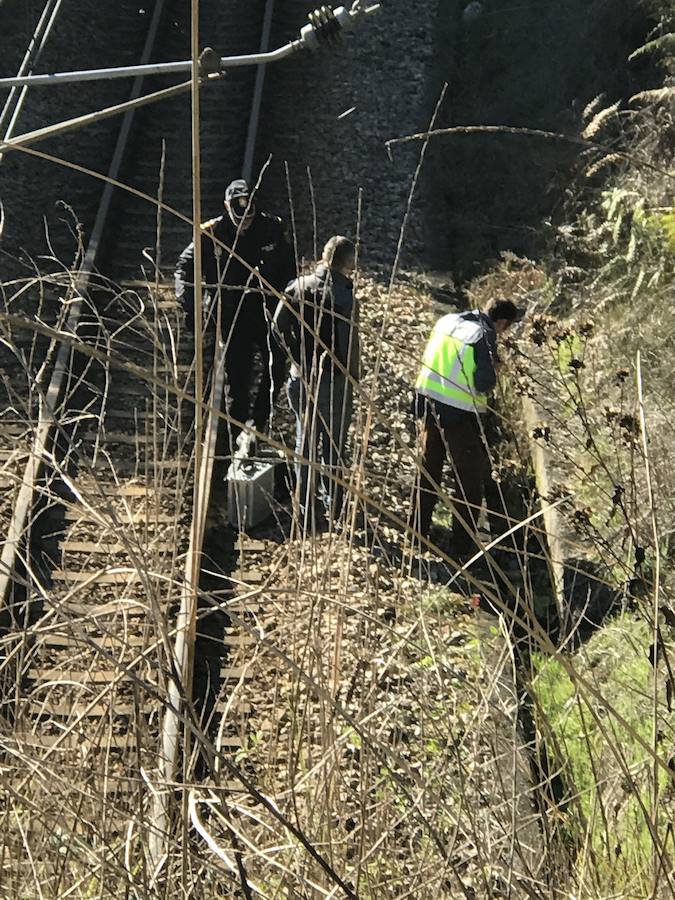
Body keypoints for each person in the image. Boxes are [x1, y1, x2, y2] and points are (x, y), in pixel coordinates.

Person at [175, 178, 295, 446]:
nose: (245, 222)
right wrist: (191, 305)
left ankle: (259, 421)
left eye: (249, 215)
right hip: (231, 315)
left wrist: (289, 304)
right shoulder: (211, 234)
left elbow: (289, 268)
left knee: (276, 366)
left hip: (267, 313)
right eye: (239, 216)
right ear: (227, 207)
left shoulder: (272, 229)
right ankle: (236, 434)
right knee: (237, 379)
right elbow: (185, 267)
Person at [410, 297, 524, 555]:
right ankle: (461, 546)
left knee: (428, 470)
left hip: (427, 402)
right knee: (469, 481)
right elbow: (483, 383)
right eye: (508, 327)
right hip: (458, 412)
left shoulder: (447, 320)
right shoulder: (483, 334)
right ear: (502, 323)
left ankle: (416, 532)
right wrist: (495, 369)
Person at [273, 236, 360, 530]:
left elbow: (277, 326)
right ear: (348, 263)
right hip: (335, 382)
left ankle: (305, 509)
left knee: (305, 444)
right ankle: (333, 507)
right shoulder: (346, 299)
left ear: (323, 257)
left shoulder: (298, 287)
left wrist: (295, 356)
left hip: (301, 377)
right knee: (333, 448)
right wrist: (353, 377)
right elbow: (350, 346)